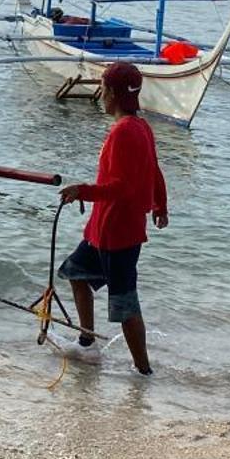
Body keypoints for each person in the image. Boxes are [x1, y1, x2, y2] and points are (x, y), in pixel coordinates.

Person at [55, 61, 166, 375]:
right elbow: (154, 170)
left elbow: (121, 187)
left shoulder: (124, 132)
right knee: (74, 272)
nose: (100, 93)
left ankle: (143, 371)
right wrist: (161, 205)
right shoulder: (141, 126)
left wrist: (83, 191)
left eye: (103, 87)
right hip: (103, 230)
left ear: (113, 93)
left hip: (118, 233)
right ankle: (88, 344)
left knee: (125, 304)